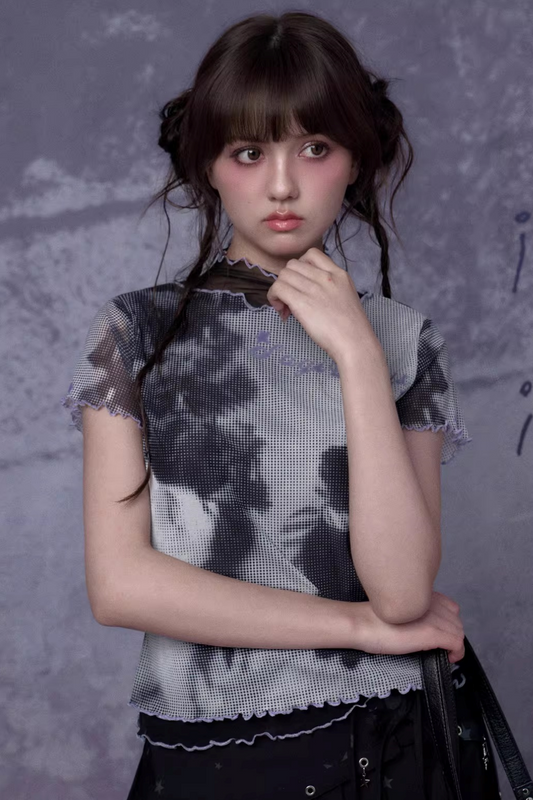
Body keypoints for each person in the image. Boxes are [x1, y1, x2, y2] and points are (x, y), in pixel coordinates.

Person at [62, 11, 502, 799]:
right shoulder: (136, 332)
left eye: (314, 148)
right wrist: (355, 627)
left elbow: (403, 592)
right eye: (248, 152)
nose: (281, 186)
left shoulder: (402, 339)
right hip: (209, 750)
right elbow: (119, 585)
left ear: (354, 160)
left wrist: (357, 353)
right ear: (209, 164)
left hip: (384, 746)